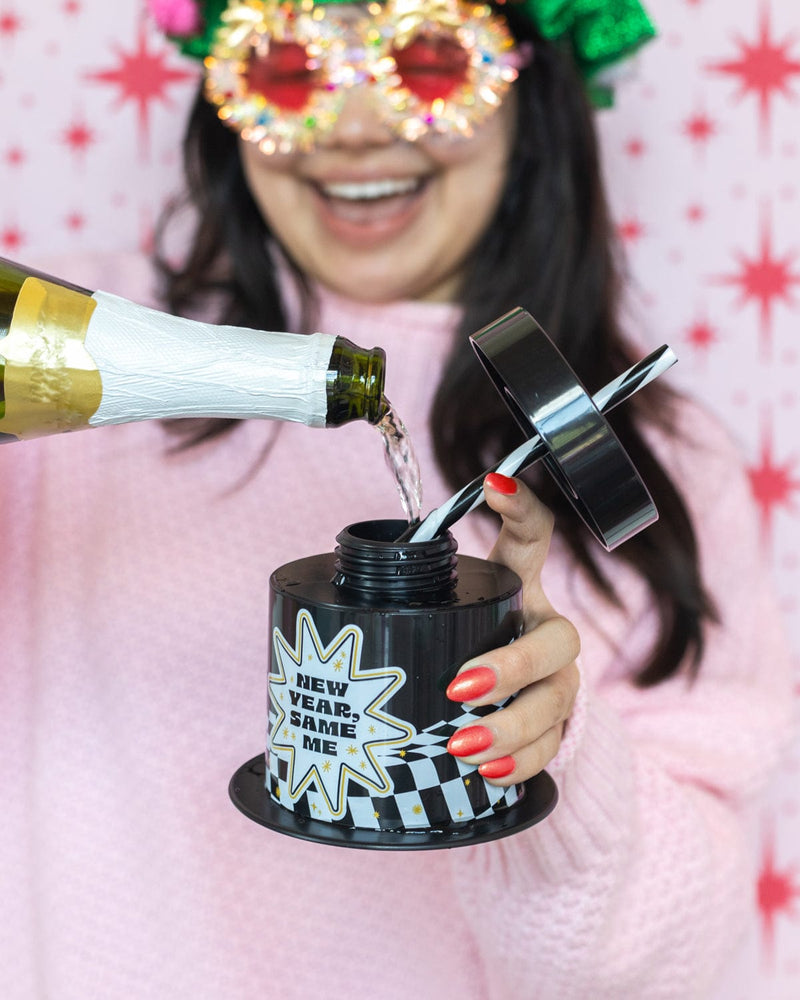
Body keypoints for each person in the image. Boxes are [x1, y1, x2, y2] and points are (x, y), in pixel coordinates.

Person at [0, 0, 792, 997]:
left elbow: (672, 967)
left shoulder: (665, 466)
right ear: (218, 88)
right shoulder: (66, 356)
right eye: (288, 66)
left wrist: (553, 756)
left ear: (531, 88)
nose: (355, 126)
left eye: (424, 60)